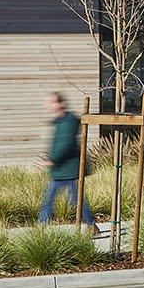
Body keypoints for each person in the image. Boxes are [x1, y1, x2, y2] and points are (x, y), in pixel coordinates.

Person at [37, 92, 95, 227]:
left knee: (72, 200)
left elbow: (65, 143)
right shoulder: (60, 121)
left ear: (61, 104)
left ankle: (41, 224)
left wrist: (52, 160)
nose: (47, 105)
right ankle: (91, 224)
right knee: (66, 199)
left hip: (68, 168)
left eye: (51, 102)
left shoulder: (68, 121)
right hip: (62, 169)